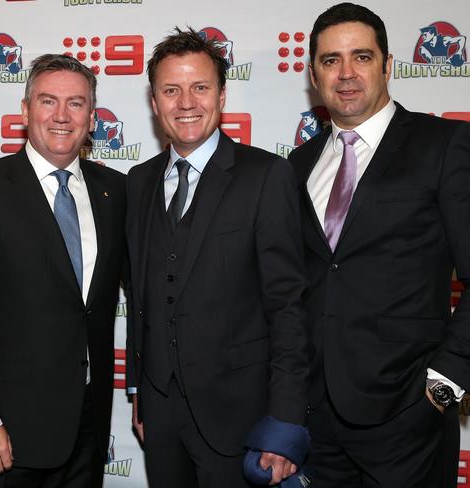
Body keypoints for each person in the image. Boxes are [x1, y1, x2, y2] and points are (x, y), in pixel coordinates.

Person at [289, 3, 470, 486]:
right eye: (330, 60)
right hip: (317, 421)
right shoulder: (297, 163)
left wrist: (445, 384)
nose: (346, 73)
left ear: (388, 65)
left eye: (361, 57)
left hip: (409, 418)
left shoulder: (445, 144)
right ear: (313, 74)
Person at [0, 54, 126, 488]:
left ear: (92, 118)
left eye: (76, 104)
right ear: (24, 110)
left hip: (87, 431)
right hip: (6, 436)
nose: (61, 115)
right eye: (48, 101)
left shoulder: (114, 192)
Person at [125, 27, 309, 488]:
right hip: (160, 417)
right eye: (171, 90)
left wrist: (284, 423)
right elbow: (141, 296)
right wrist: (139, 397)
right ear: (154, 102)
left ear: (222, 96)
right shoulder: (138, 182)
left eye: (200, 87)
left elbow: (288, 305)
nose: (186, 102)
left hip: (241, 420)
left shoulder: (266, 175)